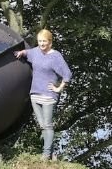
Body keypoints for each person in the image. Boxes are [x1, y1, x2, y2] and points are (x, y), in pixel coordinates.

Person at [14, 29, 72, 160]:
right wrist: (20, 53)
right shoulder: (35, 52)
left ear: (50, 42)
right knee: (42, 125)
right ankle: (52, 154)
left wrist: (59, 89)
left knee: (47, 125)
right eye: (40, 41)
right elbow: (27, 52)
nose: (41, 44)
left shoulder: (56, 56)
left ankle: (46, 155)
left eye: (44, 41)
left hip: (48, 96)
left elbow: (67, 74)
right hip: (35, 94)